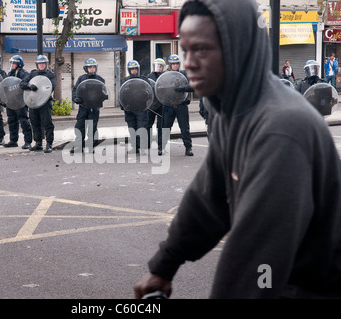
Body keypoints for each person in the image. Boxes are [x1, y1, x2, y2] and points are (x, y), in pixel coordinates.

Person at [134, 0, 341, 299]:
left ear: (238, 51)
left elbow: (258, 256)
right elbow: (208, 198)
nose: (189, 62)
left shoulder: (280, 130)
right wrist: (163, 266)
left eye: (202, 49)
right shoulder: (233, 111)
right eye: (185, 49)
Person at [20, 54, 56, 153]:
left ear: (46, 64)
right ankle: (38, 143)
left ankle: (49, 144)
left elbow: (52, 86)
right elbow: (21, 84)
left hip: (45, 102)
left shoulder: (50, 75)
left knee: (47, 123)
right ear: (37, 65)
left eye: (43, 64)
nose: (41, 65)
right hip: (33, 102)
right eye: (39, 64)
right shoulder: (32, 74)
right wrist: (29, 85)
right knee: (35, 123)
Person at [71, 58, 107, 153]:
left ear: (96, 68)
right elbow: (75, 90)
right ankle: (79, 146)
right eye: (90, 67)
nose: (91, 69)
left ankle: (91, 147)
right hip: (83, 107)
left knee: (92, 128)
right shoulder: (81, 79)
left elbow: (104, 92)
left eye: (93, 67)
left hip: (94, 108)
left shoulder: (100, 79)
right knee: (79, 127)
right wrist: (75, 98)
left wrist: (104, 97)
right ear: (86, 68)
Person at [162, 54, 194, 156]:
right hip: (169, 105)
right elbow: (160, 88)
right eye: (173, 64)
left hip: (181, 104)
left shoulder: (184, 74)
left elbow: (193, 86)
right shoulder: (165, 76)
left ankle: (188, 148)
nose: (175, 66)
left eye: (176, 64)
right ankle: (161, 147)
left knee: (184, 128)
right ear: (169, 65)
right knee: (166, 128)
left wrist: (183, 88)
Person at [3, 55, 33, 150]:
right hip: (11, 101)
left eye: (14, 63)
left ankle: (28, 141)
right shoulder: (10, 74)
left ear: (19, 64)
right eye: (11, 63)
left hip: (21, 102)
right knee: (11, 121)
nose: (12, 65)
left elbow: (25, 85)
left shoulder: (24, 74)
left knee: (23, 121)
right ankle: (13, 140)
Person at [120, 60, 150, 154]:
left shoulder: (144, 80)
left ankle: (142, 147)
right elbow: (121, 95)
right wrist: (123, 106)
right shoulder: (125, 81)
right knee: (132, 129)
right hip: (129, 109)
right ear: (129, 70)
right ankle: (134, 147)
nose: (134, 71)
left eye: (135, 69)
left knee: (141, 128)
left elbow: (149, 93)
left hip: (141, 108)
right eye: (132, 69)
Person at [146, 58, 166, 155]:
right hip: (152, 104)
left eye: (160, 66)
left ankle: (160, 146)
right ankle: (147, 143)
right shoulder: (149, 76)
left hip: (162, 104)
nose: (159, 68)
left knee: (161, 126)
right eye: (157, 66)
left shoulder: (166, 76)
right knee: (148, 124)